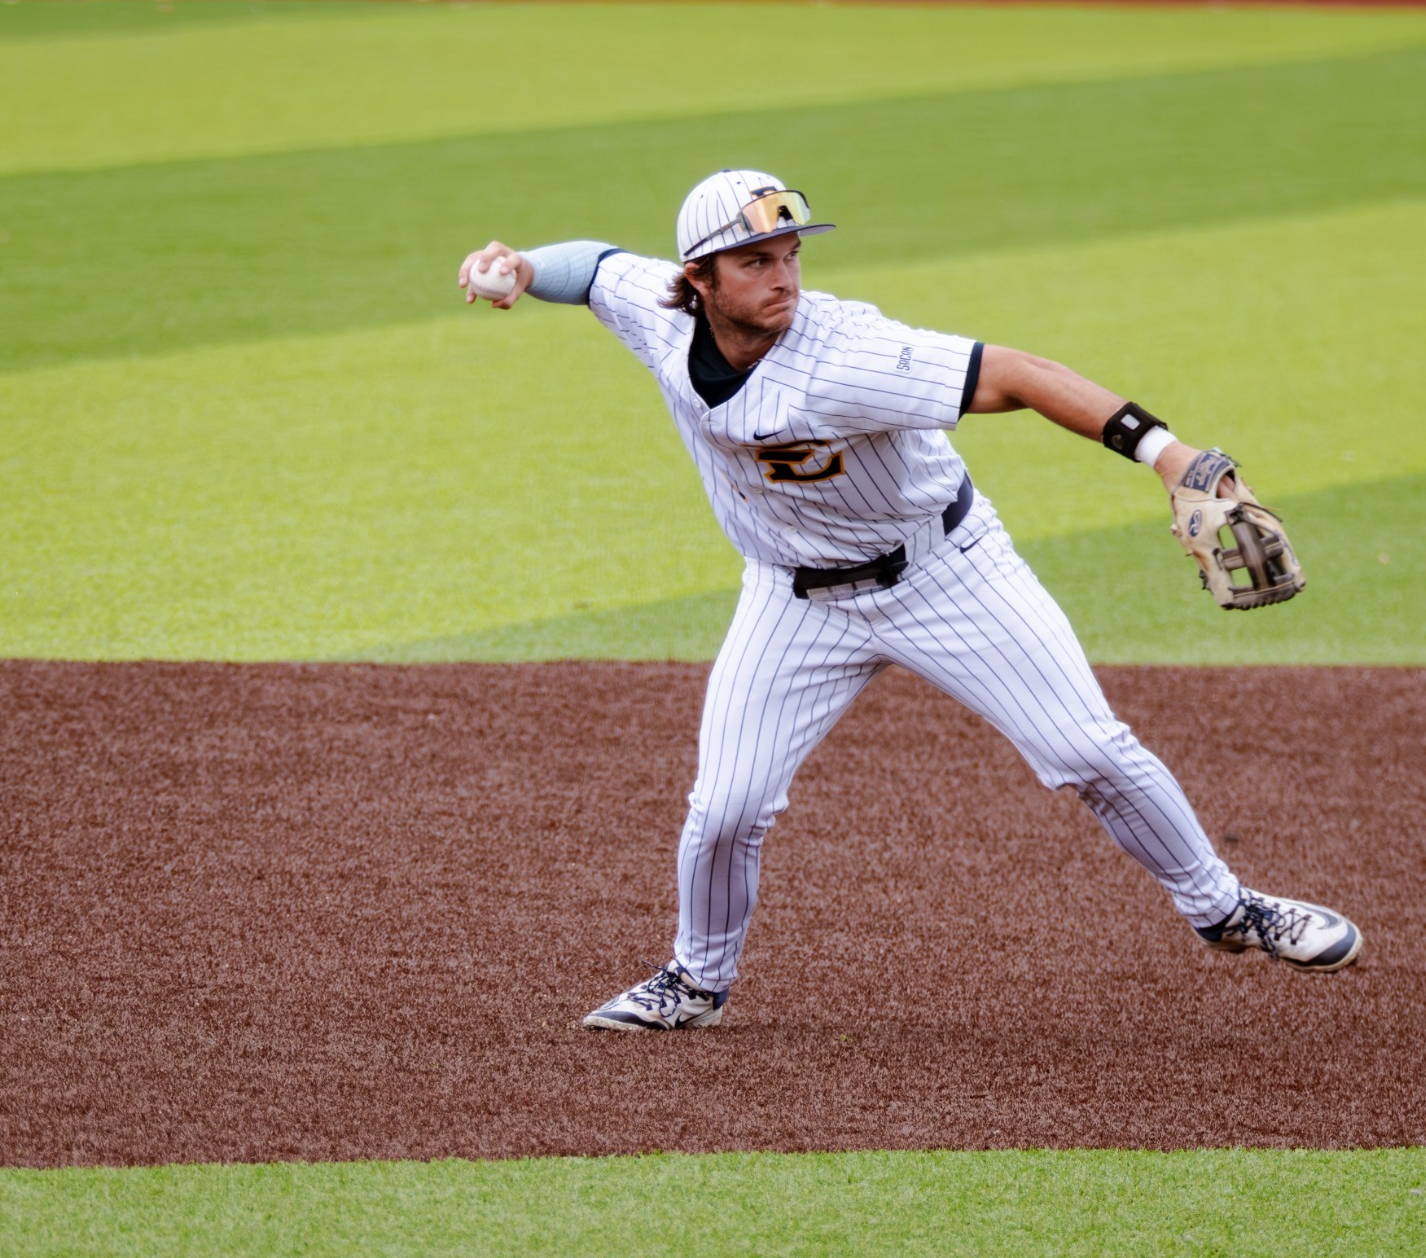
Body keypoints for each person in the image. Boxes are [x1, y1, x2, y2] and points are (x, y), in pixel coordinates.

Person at [457, 169, 1361, 1031]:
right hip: (793, 598)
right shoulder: (661, 316)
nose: (784, 278)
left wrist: (1172, 458)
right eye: (757, 262)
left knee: (1085, 749)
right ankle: (697, 980)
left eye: (792, 255)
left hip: (946, 572)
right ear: (698, 279)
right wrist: (526, 269)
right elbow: (598, 269)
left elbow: (1018, 372)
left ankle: (1228, 909)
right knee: (726, 806)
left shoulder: (848, 354)